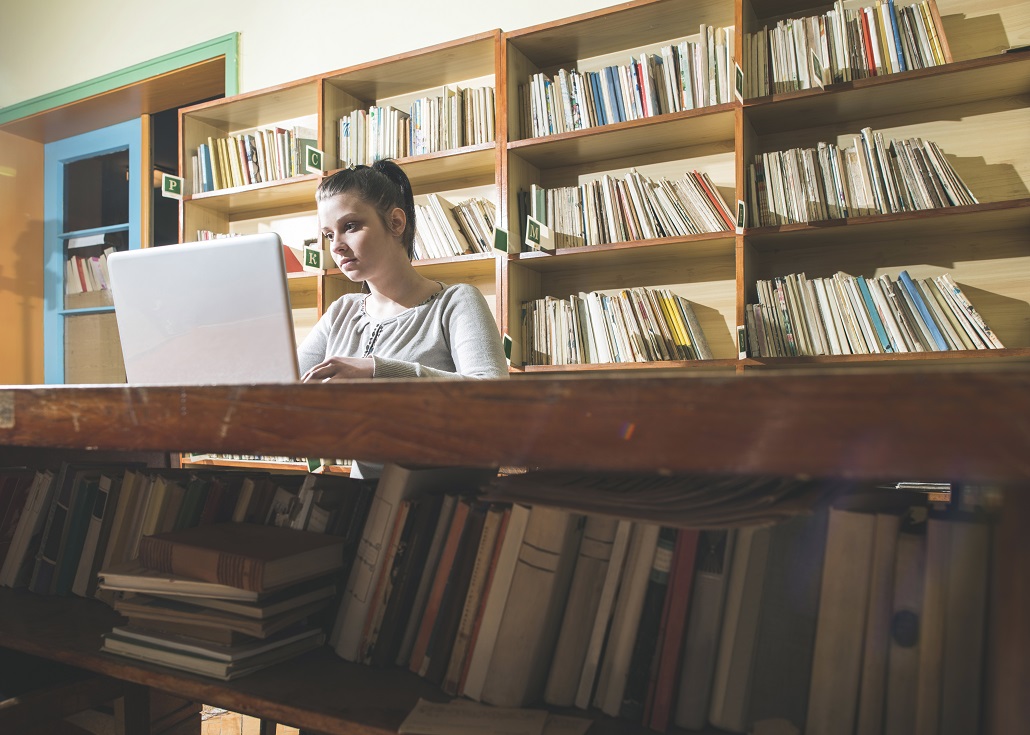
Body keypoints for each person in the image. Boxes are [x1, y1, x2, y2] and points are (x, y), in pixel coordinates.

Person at [297, 160, 508, 475]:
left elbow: (495, 400)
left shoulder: (456, 302)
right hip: (363, 499)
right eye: (329, 235)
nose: (337, 247)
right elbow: (285, 386)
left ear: (396, 223)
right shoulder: (343, 310)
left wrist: (377, 370)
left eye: (350, 226)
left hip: (438, 500)